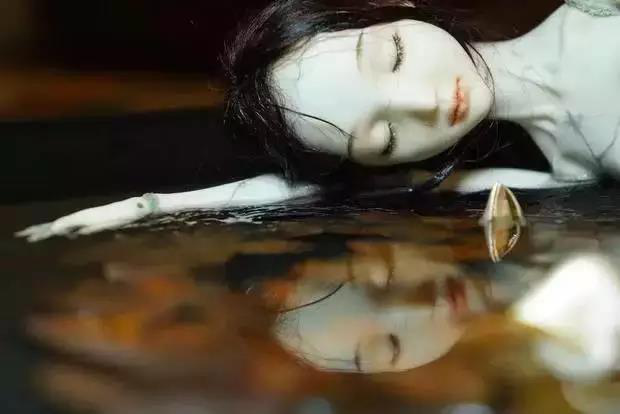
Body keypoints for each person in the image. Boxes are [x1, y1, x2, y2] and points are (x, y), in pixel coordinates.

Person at [17, 0, 620, 241]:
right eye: (384, 136)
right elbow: (314, 191)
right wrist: (147, 207)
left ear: (397, 9)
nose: (423, 101)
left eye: (392, 56)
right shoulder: (565, 171)